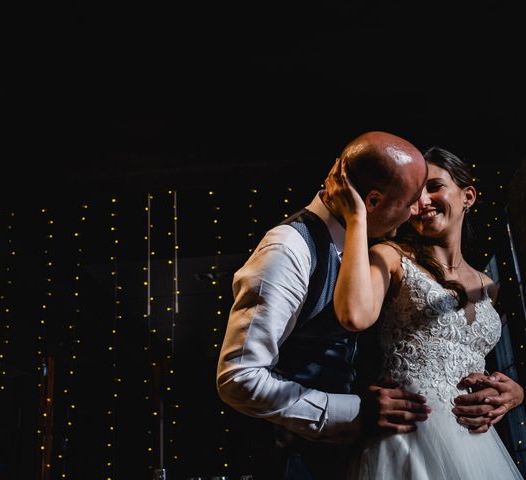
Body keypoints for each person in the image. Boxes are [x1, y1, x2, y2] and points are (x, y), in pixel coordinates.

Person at [216, 132, 523, 480]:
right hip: (303, 454)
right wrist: (355, 412)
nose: (415, 209)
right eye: (409, 199)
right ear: (373, 200)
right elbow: (239, 377)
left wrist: (511, 390)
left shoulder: (354, 249)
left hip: (451, 444)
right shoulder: (292, 249)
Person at [331, 146, 524, 478]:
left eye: (434, 187)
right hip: (409, 436)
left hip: (478, 446)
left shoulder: (489, 287)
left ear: (468, 196)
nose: (421, 203)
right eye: (413, 195)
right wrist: (356, 219)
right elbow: (354, 315)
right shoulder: (390, 257)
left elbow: (474, 365)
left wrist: (513, 392)